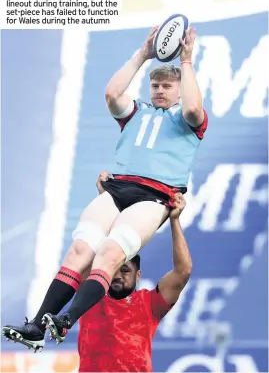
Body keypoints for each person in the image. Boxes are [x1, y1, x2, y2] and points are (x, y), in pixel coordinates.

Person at [3, 26, 207, 351]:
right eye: (155, 84)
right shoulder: (137, 112)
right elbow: (112, 93)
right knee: (79, 252)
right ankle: (37, 325)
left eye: (167, 86)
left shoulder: (186, 120)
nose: (159, 90)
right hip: (117, 188)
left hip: (153, 196)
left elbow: (195, 109)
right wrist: (142, 53)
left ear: (180, 90)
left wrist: (186, 61)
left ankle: (66, 320)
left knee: (110, 254)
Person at [78, 178, 191, 373]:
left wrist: (174, 220)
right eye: (115, 268)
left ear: (138, 275)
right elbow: (101, 250)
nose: (117, 275)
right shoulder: (89, 297)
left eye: (125, 270)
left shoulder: (150, 304)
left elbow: (183, 271)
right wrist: (106, 198)